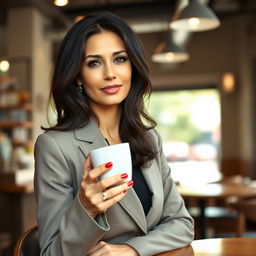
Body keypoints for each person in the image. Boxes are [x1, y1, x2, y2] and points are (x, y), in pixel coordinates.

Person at [34, 11, 194, 256]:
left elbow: (182, 225)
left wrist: (130, 249)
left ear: (133, 66)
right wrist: (85, 208)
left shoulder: (150, 139)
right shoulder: (55, 147)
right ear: (78, 75)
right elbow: (50, 253)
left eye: (120, 59)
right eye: (94, 63)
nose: (110, 73)